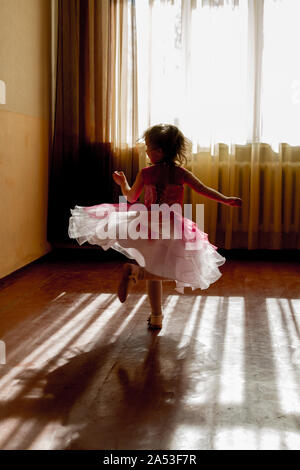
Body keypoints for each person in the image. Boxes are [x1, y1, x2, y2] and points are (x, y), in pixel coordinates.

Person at [69, 124, 242, 329]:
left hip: (146, 223)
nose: (146, 151)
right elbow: (204, 190)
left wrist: (122, 183)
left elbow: (131, 198)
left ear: (159, 151)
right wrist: (226, 199)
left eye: (148, 147)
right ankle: (152, 306)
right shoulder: (180, 173)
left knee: (153, 267)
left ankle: (142, 284)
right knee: (167, 270)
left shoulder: (146, 173)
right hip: (171, 225)